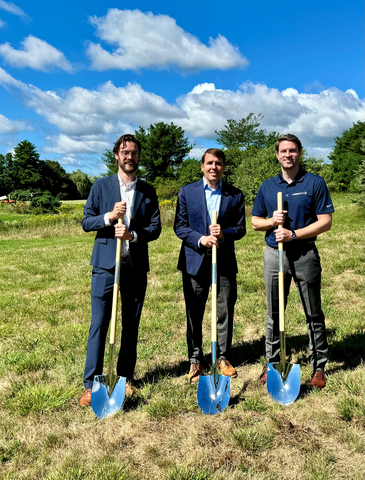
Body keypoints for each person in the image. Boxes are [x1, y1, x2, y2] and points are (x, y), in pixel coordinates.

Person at [79, 134, 161, 407]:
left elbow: (155, 227)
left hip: (135, 266)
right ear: (116, 155)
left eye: (134, 153)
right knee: (99, 324)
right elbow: (86, 221)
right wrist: (109, 218)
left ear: (139, 157)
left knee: (131, 325)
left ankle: (125, 379)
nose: (130, 157)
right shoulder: (101, 186)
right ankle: (91, 384)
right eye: (125, 152)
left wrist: (133, 235)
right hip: (105, 265)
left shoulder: (147, 191)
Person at [251, 134, 334, 389]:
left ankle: (318, 366)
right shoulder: (267, 186)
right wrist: (272, 222)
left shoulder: (314, 183)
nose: (288, 154)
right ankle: (273, 363)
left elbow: (325, 222)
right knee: (274, 312)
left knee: (313, 312)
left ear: (300, 153)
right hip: (275, 254)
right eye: (283, 151)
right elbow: (255, 222)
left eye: (293, 150)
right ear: (277, 155)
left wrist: (294, 234)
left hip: (304, 253)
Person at [174, 148, 246, 383]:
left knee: (224, 310)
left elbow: (241, 228)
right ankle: (196, 360)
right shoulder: (187, 192)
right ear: (202, 166)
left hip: (223, 262)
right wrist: (200, 239)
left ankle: (222, 357)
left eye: (218, 163)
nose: (213, 167)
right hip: (195, 261)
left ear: (224, 167)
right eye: (209, 163)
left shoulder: (235, 195)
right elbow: (180, 226)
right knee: (194, 312)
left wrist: (224, 234)